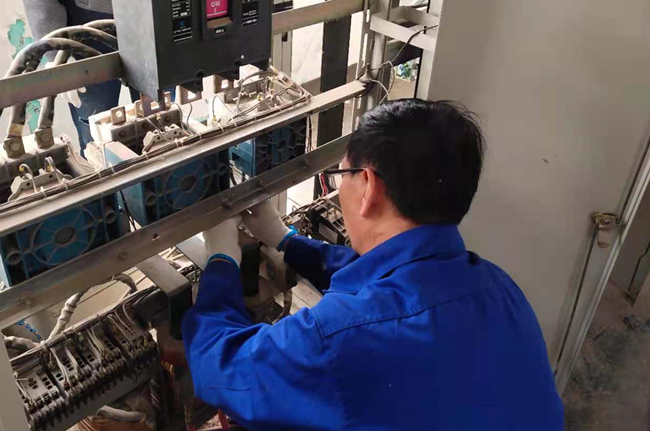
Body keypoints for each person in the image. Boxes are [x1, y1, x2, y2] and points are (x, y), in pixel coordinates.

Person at [182, 99, 565, 430]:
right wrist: (287, 241)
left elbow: (218, 363)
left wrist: (221, 261)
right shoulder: (501, 288)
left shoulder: (338, 341)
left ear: (368, 186)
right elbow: (394, 284)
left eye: (341, 175)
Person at [22, 0, 138, 154]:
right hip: (86, 27)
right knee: (96, 132)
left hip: (154, 17)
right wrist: (55, 52)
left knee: (162, 116)